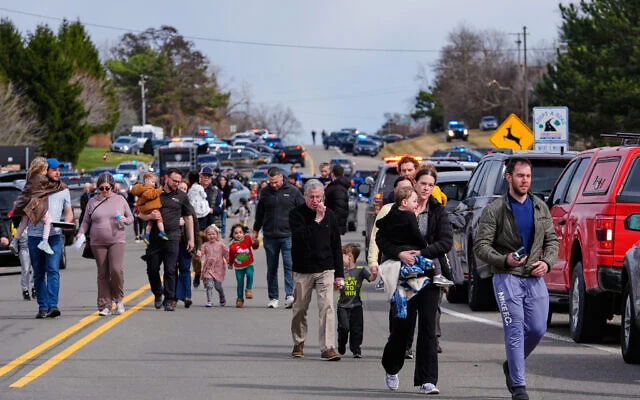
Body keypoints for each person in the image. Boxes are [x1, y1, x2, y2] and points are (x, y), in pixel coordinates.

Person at [474, 157, 558, 400]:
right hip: (506, 276)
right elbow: (481, 246)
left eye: (528, 176)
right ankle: (519, 386)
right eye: (520, 176)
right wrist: (505, 259)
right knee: (515, 328)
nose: (525, 180)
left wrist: (546, 262)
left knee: (538, 328)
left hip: (534, 275)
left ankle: (511, 365)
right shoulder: (495, 209)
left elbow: (552, 241)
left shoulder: (539, 206)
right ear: (509, 178)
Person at [377, 165, 453, 395]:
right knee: (402, 327)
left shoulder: (438, 211)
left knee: (428, 328)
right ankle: (391, 367)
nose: (426, 189)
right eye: (423, 184)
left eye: (431, 185)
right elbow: (381, 239)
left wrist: (423, 252)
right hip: (403, 275)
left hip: (428, 275)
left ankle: (427, 380)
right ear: (414, 183)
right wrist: (399, 253)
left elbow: (446, 242)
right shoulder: (398, 208)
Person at [289, 179, 344, 361]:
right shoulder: (296, 214)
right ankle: (299, 342)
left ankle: (328, 347)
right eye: (311, 197)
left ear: (323, 197)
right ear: (305, 196)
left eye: (318, 197)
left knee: (327, 307)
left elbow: (336, 245)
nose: (315, 201)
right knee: (299, 309)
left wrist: (339, 275)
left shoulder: (331, 215)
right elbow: (300, 238)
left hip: (325, 268)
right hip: (303, 269)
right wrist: (317, 221)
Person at [77, 173, 134, 316]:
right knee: (102, 273)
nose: (104, 191)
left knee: (116, 270)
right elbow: (86, 221)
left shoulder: (120, 199)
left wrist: (125, 220)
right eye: (101, 188)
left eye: (107, 188)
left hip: (117, 239)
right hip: (97, 241)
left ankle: (118, 299)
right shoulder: (92, 202)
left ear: (112, 187)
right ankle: (105, 305)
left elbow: (131, 217)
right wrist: (81, 233)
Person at [139, 168, 195, 311]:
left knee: (170, 269)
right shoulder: (153, 193)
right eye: (174, 181)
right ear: (166, 178)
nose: (176, 183)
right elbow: (140, 213)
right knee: (152, 269)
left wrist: (191, 239)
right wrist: (149, 216)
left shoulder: (182, 196)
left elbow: (188, 217)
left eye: (178, 181)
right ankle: (158, 293)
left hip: (173, 237)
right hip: (154, 238)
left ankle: (169, 299)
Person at [252, 167, 305, 309]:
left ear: (282, 177)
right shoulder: (265, 192)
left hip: (288, 235)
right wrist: (255, 232)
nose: (274, 185)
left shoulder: (293, 191)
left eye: (276, 182)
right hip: (270, 236)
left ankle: (290, 295)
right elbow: (260, 213)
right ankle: (273, 297)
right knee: (272, 268)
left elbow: (303, 212)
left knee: (289, 266)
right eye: (271, 182)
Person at [27, 158, 73, 319]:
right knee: (39, 273)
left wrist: (68, 222)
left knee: (53, 270)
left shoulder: (63, 189)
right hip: (35, 236)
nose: (57, 173)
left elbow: (68, 211)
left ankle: (53, 305)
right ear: (46, 171)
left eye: (59, 170)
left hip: (54, 236)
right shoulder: (35, 188)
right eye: (54, 170)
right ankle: (43, 307)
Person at [10, 157, 63, 255]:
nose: (46, 172)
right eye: (45, 169)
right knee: (48, 220)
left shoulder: (30, 177)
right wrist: (61, 184)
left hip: (25, 205)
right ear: (40, 169)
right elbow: (53, 186)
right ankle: (45, 242)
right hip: (35, 204)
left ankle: (15, 240)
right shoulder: (40, 178)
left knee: (23, 223)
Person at [337, 243, 376, 358]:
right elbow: (335, 284)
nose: (340, 260)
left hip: (356, 306)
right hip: (343, 306)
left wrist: (374, 274)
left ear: (349, 256)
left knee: (357, 329)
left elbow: (371, 278)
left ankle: (356, 349)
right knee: (344, 327)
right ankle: (341, 342)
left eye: (342, 257)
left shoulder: (360, 270)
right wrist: (337, 284)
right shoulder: (340, 272)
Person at [192, 167, 224, 289]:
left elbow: (221, 208)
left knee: (212, 257)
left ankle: (207, 277)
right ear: (200, 176)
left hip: (211, 228)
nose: (206, 178)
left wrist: (210, 210)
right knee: (196, 255)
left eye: (208, 176)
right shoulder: (194, 190)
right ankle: (197, 273)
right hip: (197, 227)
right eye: (204, 175)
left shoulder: (215, 191)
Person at [175, 180, 200, 309]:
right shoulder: (171, 204)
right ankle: (174, 297)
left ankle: (187, 296)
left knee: (185, 269)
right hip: (172, 243)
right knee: (172, 270)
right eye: (181, 188)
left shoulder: (189, 207)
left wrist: (197, 247)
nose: (183, 191)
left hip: (186, 243)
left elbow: (196, 228)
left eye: (185, 189)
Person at [131, 172, 168, 245]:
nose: (154, 184)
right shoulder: (148, 189)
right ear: (146, 180)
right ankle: (162, 232)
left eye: (154, 182)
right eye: (153, 182)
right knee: (159, 218)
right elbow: (150, 195)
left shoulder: (145, 189)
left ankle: (147, 235)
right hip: (151, 208)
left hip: (147, 209)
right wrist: (159, 190)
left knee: (150, 223)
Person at [228, 223, 259, 308]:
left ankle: (248, 289)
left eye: (240, 232)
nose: (238, 234)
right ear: (233, 235)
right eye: (236, 233)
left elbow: (255, 247)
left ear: (244, 233)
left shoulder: (247, 239)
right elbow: (231, 256)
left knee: (250, 275)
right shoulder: (232, 246)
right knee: (240, 283)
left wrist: (256, 243)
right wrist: (230, 264)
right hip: (238, 267)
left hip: (249, 264)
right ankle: (240, 299)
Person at [200, 224, 229, 307]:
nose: (211, 236)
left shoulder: (221, 245)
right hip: (208, 268)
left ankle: (222, 296)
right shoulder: (205, 245)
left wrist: (229, 263)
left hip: (218, 268)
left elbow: (226, 254)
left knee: (218, 286)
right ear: (206, 235)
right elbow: (200, 253)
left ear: (217, 235)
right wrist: (198, 254)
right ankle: (209, 301)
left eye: (213, 234)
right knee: (209, 285)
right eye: (209, 234)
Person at [324, 164, 349, 235]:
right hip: (334, 224)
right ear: (343, 174)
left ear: (332, 174)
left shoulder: (337, 188)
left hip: (334, 225)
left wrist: (333, 223)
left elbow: (340, 208)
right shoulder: (337, 186)